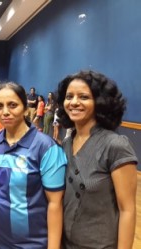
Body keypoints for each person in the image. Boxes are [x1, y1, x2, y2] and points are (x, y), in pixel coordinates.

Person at [56, 70, 138, 249]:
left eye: (84, 97)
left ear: (99, 102)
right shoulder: (67, 144)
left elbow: (127, 210)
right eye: (69, 96)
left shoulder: (115, 146)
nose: (74, 102)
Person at [0, 82, 67, 249]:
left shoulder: (46, 147)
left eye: (12, 105)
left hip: (34, 244)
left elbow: (55, 205)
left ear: (25, 108)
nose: (5, 112)